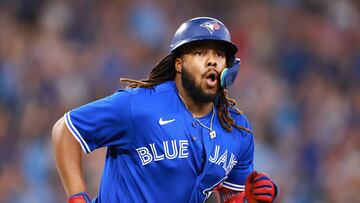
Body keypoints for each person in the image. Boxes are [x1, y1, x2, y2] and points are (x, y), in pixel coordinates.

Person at [52, 17, 279, 203]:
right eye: (200, 53)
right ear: (178, 64)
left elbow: (232, 198)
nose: (212, 61)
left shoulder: (236, 129)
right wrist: (77, 197)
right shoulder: (139, 105)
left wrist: (251, 199)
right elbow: (66, 130)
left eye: (219, 55)